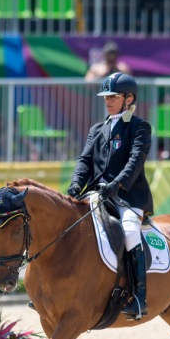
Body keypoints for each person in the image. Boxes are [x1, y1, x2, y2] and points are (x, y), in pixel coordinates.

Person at [68, 72, 153, 320]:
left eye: (113, 97)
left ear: (129, 99)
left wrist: (116, 185)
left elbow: (135, 162)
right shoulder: (97, 129)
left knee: (129, 231)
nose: (108, 101)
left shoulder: (139, 127)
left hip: (127, 197)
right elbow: (85, 160)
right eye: (106, 96)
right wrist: (76, 185)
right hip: (97, 193)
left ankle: (139, 296)